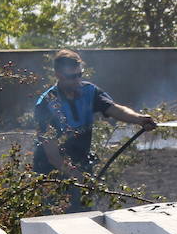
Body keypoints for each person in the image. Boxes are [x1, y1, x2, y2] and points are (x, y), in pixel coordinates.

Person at [33, 50, 156, 209]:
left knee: (85, 215)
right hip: (51, 173)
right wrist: (78, 177)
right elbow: (52, 156)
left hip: (81, 164)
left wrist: (139, 119)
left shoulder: (89, 91)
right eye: (72, 77)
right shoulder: (45, 104)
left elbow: (115, 109)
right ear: (58, 75)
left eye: (80, 75)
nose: (77, 80)